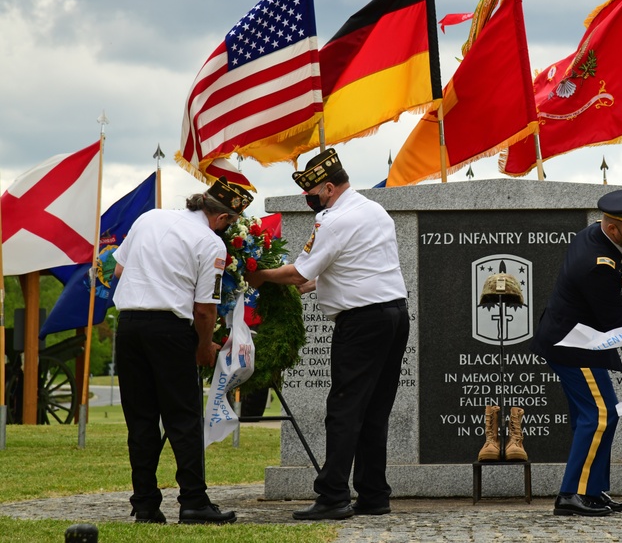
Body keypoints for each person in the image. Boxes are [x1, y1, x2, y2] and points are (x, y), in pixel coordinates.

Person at [245, 147, 409, 521]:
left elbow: (298, 273)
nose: (311, 200)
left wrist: (260, 276)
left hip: (362, 322)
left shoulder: (333, 220)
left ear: (329, 188)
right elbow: (352, 268)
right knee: (374, 409)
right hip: (394, 316)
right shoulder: (373, 209)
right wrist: (304, 286)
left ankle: (333, 495)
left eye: (313, 192)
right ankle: (373, 494)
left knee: (344, 409)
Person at [113, 176, 253, 525]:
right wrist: (204, 346)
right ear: (223, 219)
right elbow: (204, 309)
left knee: (140, 419)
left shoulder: (150, 218)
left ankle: (144, 503)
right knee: (183, 418)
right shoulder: (210, 243)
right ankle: (193, 500)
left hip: (129, 324)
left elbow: (118, 269)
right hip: (170, 330)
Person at [532, 188, 622, 517]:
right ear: (614, 227)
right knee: (600, 415)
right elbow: (614, 320)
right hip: (574, 345)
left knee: (594, 417)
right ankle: (571, 494)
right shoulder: (596, 263)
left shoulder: (599, 237)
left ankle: (593, 491)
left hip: (578, 339)